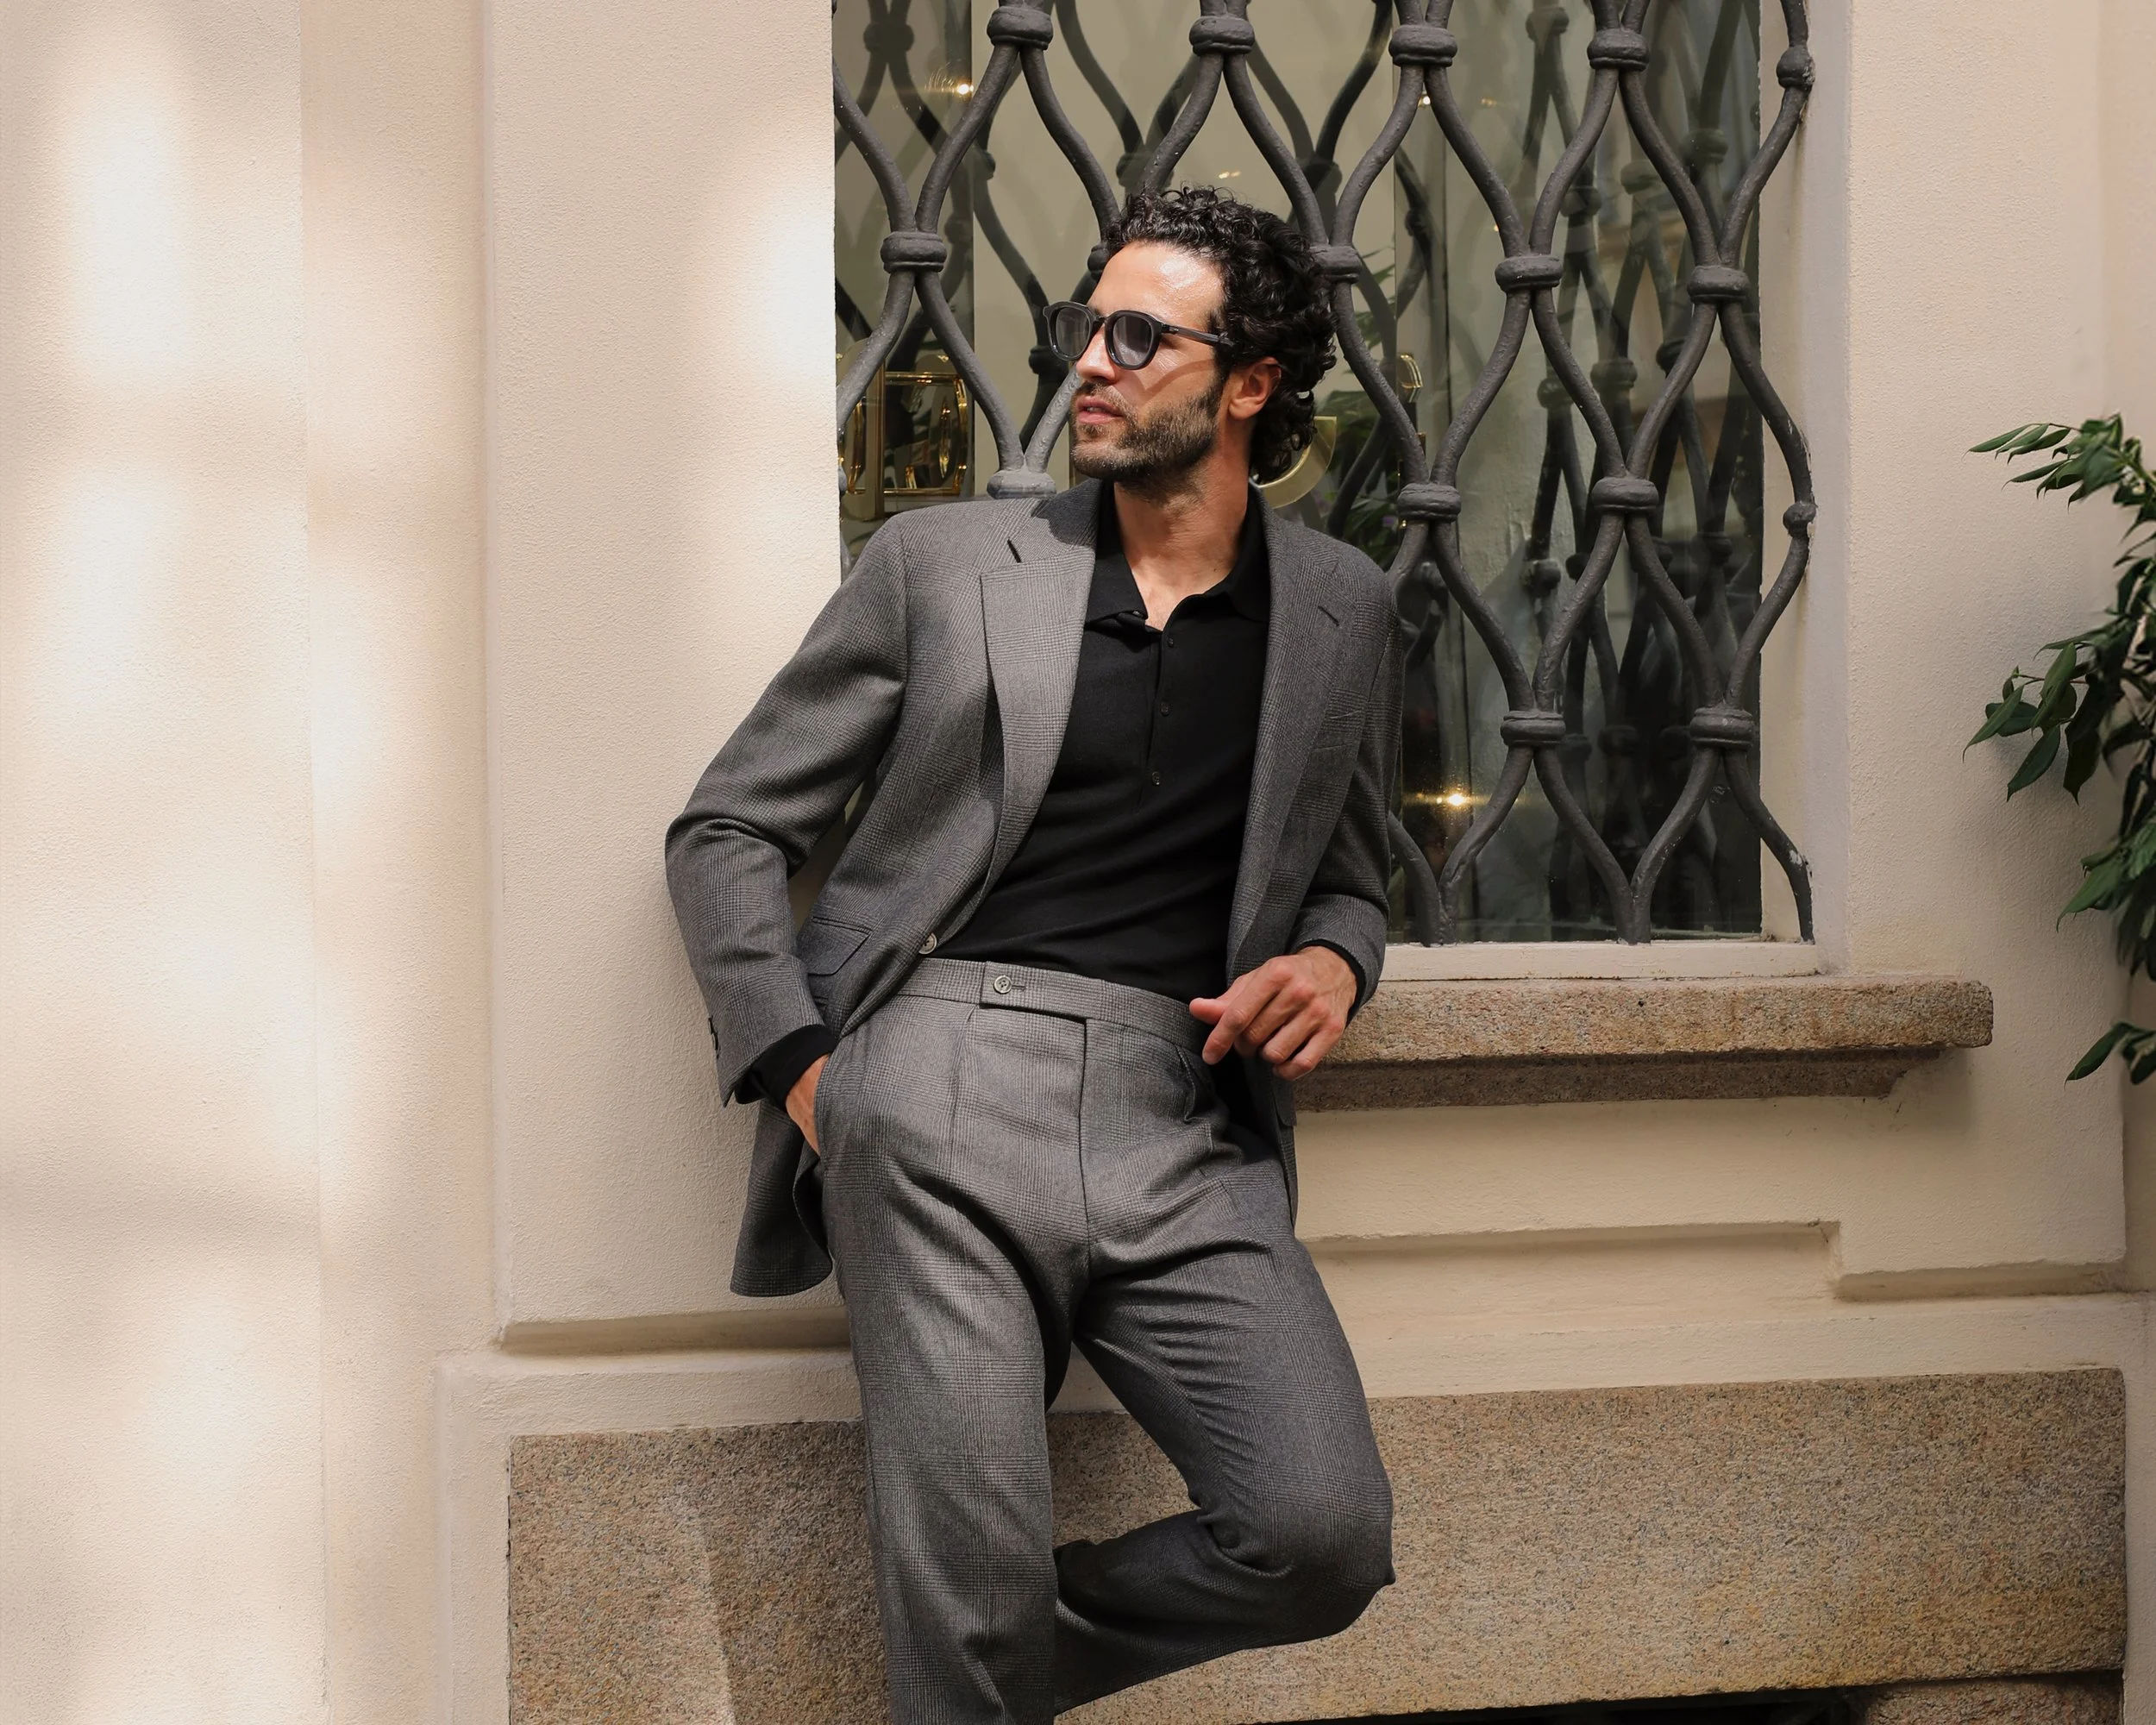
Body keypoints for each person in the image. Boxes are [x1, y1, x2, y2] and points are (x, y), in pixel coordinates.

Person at [667, 185, 1403, 1724]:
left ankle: (970, 1660)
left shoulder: (1339, 604)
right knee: (970, 1581)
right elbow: (729, 827)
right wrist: (809, 1074)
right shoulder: (945, 566)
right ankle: (968, 1645)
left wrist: (1337, 965)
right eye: (1088, 329)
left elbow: (1347, 873)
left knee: (1319, 1536)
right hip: (933, 1081)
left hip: (1184, 1113)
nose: (1092, 363)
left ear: (1250, 381)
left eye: (1141, 337)